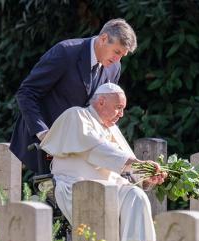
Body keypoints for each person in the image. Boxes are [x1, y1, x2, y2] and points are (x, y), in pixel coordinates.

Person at [40, 83, 165, 241]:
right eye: (118, 108)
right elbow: (97, 149)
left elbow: (126, 166)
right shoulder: (77, 115)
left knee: (137, 195)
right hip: (77, 187)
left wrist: (146, 176)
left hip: (112, 189)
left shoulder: (112, 129)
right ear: (101, 102)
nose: (121, 114)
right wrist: (138, 164)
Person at [10, 18, 137, 173]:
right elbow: (27, 93)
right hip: (43, 145)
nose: (118, 59)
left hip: (80, 153)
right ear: (103, 38)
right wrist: (44, 134)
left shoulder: (114, 67)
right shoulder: (65, 52)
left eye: (122, 55)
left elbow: (103, 109)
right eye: (116, 52)